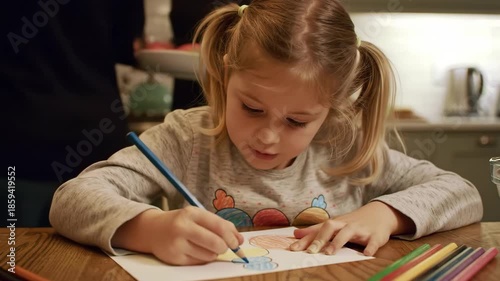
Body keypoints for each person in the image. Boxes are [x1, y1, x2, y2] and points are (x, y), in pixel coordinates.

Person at [49, 0, 483, 266]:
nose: (269, 137)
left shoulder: (343, 145)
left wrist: (385, 214)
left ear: (327, 112)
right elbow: (71, 200)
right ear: (224, 77)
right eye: (251, 108)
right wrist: (150, 228)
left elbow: (462, 192)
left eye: (297, 122)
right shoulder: (186, 138)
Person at [1, 0, 144, 227]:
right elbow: (126, 46)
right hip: (97, 134)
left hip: (20, 136)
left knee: (11, 254)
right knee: (99, 260)